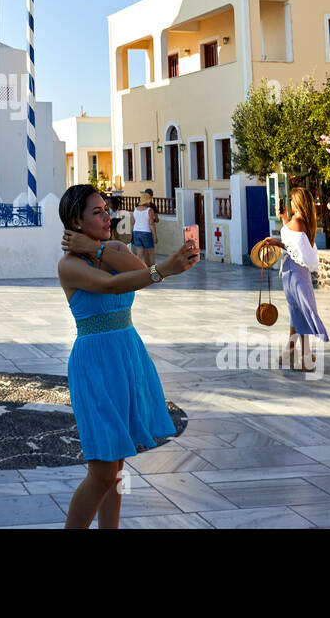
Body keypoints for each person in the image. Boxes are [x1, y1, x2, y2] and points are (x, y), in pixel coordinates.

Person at [56, 184, 200, 529]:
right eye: (97, 212)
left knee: (117, 466)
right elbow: (110, 286)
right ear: (76, 220)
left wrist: (96, 247)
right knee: (103, 470)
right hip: (94, 364)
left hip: (127, 355)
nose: (107, 216)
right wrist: (164, 268)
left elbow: (136, 274)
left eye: (107, 209)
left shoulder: (114, 248)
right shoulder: (68, 266)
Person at [262, 187, 327, 371]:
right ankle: (289, 352)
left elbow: (295, 249)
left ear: (297, 202)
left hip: (295, 272)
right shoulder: (297, 221)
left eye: (291, 200)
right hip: (293, 271)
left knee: (301, 313)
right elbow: (293, 240)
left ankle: (305, 359)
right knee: (296, 313)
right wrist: (283, 219)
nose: (289, 203)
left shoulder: (298, 222)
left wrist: (276, 243)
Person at [130, 190, 158, 264]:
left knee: (139, 254)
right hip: (146, 233)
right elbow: (152, 224)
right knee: (151, 254)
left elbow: (132, 223)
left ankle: (138, 271)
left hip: (136, 232)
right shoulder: (149, 210)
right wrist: (155, 236)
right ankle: (153, 273)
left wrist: (131, 235)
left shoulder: (135, 210)